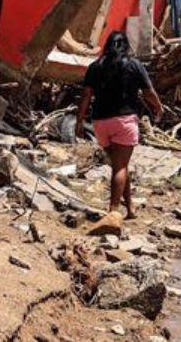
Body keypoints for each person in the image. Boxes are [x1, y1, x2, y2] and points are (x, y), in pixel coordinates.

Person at [74, 31, 163, 222]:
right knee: (120, 167)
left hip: (100, 124)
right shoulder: (134, 64)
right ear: (125, 46)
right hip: (124, 122)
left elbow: (86, 97)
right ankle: (113, 211)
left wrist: (80, 121)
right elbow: (149, 92)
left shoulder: (95, 66)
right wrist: (158, 107)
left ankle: (130, 207)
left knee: (119, 165)